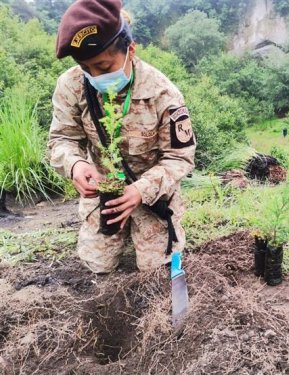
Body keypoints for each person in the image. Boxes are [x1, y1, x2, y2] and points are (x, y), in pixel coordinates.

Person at [47, 0, 196, 273]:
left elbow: (179, 157)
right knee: (97, 265)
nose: (94, 76)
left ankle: (152, 230)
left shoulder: (163, 94)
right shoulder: (71, 85)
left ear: (130, 49)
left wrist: (140, 191)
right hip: (105, 192)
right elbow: (61, 139)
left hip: (152, 195)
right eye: (86, 68)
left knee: (156, 269)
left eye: (103, 67)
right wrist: (76, 165)